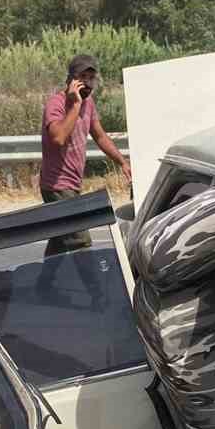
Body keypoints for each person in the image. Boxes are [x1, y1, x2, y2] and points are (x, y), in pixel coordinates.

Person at [37, 54, 132, 303]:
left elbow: (100, 136)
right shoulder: (56, 105)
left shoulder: (89, 105)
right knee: (80, 240)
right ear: (71, 80)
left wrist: (122, 162)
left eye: (91, 78)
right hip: (57, 185)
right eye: (83, 78)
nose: (88, 83)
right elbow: (58, 138)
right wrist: (75, 105)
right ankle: (99, 297)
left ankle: (43, 287)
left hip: (73, 183)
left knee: (60, 238)